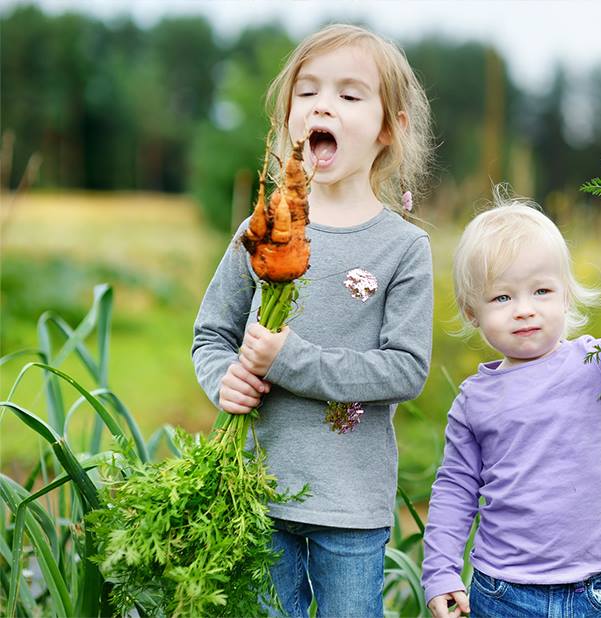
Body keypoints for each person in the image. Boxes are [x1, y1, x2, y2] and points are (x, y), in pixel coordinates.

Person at [191, 23, 434, 617]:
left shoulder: (401, 248)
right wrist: (224, 378)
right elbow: (212, 334)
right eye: (308, 92)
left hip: (350, 510)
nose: (324, 104)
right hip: (257, 495)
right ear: (288, 117)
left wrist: (290, 361)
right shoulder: (260, 229)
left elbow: (405, 370)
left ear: (388, 129)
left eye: (350, 95)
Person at [421, 192, 601, 618]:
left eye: (542, 291)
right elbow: (456, 489)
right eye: (502, 298)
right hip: (503, 590)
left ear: (566, 296)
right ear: (470, 311)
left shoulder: (597, 362)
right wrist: (440, 571)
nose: (524, 310)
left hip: (595, 587)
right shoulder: (475, 400)